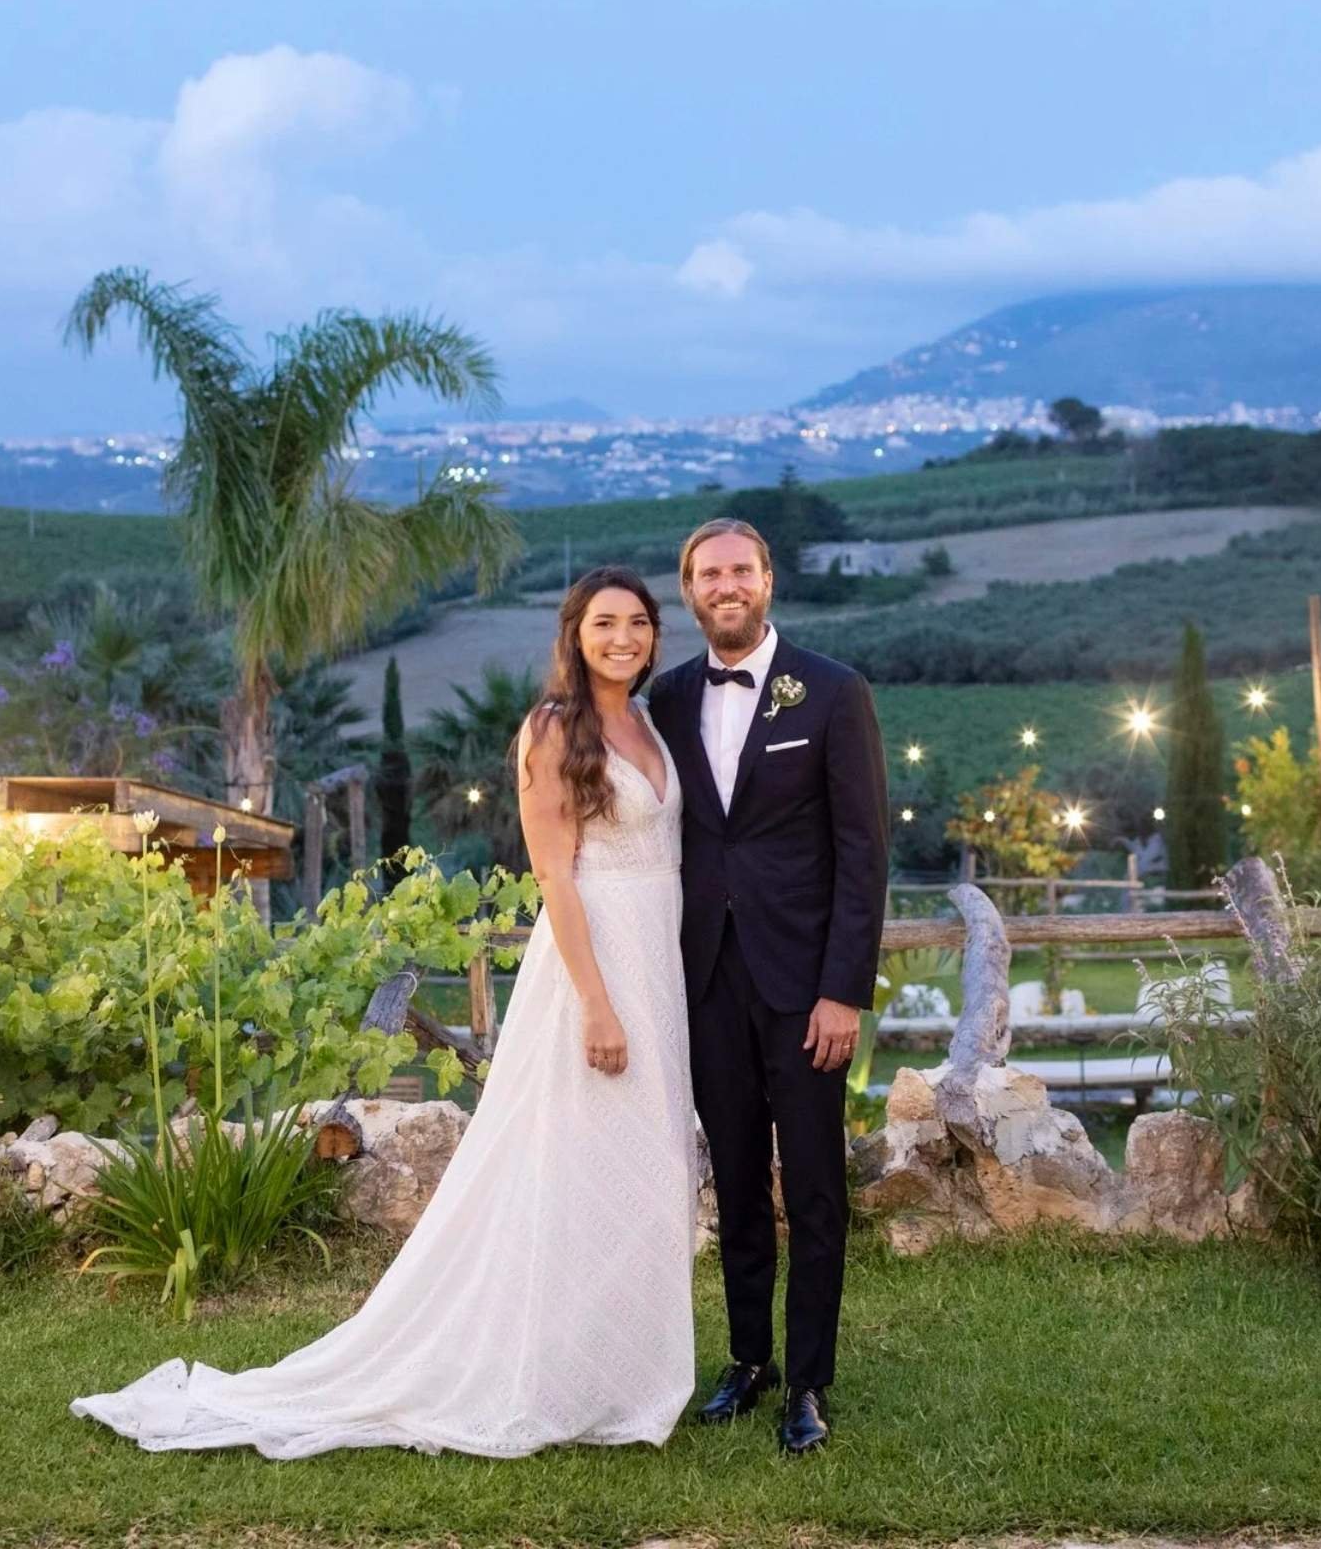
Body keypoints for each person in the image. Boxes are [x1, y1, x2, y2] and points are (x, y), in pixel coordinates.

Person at [71, 565, 697, 1459]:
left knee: (643, 1167)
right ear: (574, 632)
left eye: (638, 623)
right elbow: (556, 873)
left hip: (659, 964)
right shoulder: (555, 729)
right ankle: (541, 1374)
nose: (623, 638)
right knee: (571, 1164)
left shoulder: (648, 724)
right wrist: (597, 1004)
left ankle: (624, 1369)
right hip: (594, 969)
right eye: (605, 623)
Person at [648, 518, 889, 1455]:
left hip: (805, 989)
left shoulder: (832, 693)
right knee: (738, 1179)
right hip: (704, 980)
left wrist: (844, 991)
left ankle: (809, 1382)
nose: (726, 585)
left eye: (740, 569)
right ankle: (747, 1360)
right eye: (709, 574)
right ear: (691, 591)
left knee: (816, 1187)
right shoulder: (666, 700)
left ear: (768, 580)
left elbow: (864, 852)